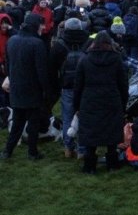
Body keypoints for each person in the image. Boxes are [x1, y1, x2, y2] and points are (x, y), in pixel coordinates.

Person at [74, 31, 128, 174]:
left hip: (90, 100)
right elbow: (123, 83)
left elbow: (78, 85)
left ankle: (90, 166)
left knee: (91, 133)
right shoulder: (116, 59)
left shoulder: (85, 60)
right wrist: (123, 102)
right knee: (111, 133)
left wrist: (76, 105)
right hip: (111, 99)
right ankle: (112, 164)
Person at [0, 14, 49, 160]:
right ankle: (32, 152)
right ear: (35, 25)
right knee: (33, 123)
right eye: (41, 24)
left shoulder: (12, 40)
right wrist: (46, 89)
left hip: (16, 88)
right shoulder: (37, 43)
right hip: (32, 89)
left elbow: (8, 66)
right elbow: (42, 71)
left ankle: (7, 151)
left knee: (17, 121)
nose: (43, 27)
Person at [50, 17, 90, 157]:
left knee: (67, 117)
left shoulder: (59, 45)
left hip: (67, 85)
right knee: (84, 117)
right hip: (85, 85)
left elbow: (52, 67)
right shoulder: (88, 41)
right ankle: (83, 149)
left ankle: (68, 147)